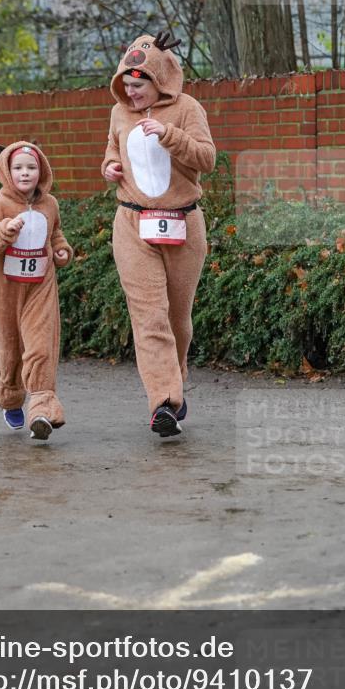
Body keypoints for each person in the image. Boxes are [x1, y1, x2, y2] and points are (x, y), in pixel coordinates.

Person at [101, 31, 216, 437]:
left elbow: (207, 158)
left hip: (183, 223)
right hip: (132, 223)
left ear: (159, 81)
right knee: (149, 316)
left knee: (177, 318)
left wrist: (169, 135)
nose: (130, 94)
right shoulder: (119, 114)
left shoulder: (187, 108)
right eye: (126, 86)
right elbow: (114, 152)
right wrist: (110, 167)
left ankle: (175, 380)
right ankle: (164, 403)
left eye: (138, 86)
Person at [0, 142, 72, 440]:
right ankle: (11, 395)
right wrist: (4, 230)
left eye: (31, 167)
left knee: (41, 348)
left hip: (40, 288)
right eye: (18, 168)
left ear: (41, 171)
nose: (25, 173)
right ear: (6, 172)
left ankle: (42, 409)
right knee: (10, 351)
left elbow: (55, 234)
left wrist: (62, 251)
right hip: (5, 291)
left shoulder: (50, 204)